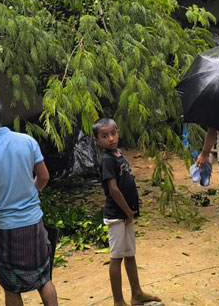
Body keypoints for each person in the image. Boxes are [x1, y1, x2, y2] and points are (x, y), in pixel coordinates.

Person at [0, 97, 58, 306]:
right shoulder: (27, 141)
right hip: (34, 224)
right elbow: (44, 177)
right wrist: (30, 193)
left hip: (6, 230)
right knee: (44, 279)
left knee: (11, 286)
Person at [92, 118, 161, 306]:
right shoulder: (106, 160)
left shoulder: (118, 153)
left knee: (130, 254)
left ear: (118, 132)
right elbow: (113, 189)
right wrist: (127, 211)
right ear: (97, 140)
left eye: (113, 133)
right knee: (116, 258)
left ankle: (137, 293)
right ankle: (118, 300)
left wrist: (131, 212)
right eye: (105, 136)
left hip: (127, 214)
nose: (111, 138)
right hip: (117, 216)